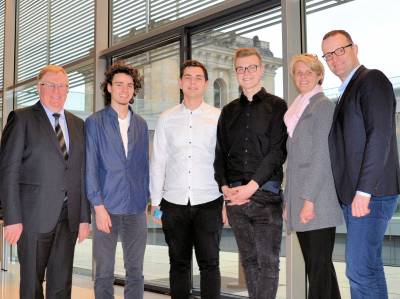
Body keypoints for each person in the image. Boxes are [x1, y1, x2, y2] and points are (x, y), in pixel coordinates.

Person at [0, 64, 90, 299]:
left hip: (68, 218)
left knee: (61, 285)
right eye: (51, 85)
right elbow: (8, 170)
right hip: (32, 218)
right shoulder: (21, 119)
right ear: (39, 87)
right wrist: (11, 217)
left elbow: (81, 173)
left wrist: (83, 218)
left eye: (62, 86)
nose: (57, 91)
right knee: (31, 285)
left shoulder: (78, 125)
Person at [322, 29, 400, 298]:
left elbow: (381, 136)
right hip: (359, 195)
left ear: (355, 47)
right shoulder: (346, 91)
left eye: (340, 50)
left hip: (371, 194)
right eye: (328, 55)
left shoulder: (371, 80)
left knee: (358, 271)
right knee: (369, 268)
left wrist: (364, 192)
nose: (334, 58)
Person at [214, 48, 287, 299]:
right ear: (236, 72)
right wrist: (224, 186)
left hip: (265, 197)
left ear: (261, 69)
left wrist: (252, 186)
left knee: (268, 264)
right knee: (249, 262)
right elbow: (220, 154)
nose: (246, 73)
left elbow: (277, 152)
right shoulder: (228, 111)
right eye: (241, 68)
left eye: (251, 67)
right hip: (235, 198)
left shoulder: (278, 106)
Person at [150, 60, 224, 299]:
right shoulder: (166, 118)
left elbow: (225, 161)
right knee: (178, 264)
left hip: (210, 201)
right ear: (180, 82)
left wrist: (227, 202)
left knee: (210, 264)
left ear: (205, 83)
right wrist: (156, 204)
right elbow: (158, 161)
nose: (192, 82)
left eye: (198, 78)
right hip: (173, 203)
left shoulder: (218, 117)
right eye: (188, 77)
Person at [85, 62, 149, 299]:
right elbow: (90, 168)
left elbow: (144, 168)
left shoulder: (141, 125)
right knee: (103, 272)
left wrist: (145, 203)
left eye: (130, 85)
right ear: (109, 88)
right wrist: (98, 206)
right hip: (107, 208)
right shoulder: (94, 122)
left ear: (134, 90)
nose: (125, 89)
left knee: (136, 272)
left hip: (135, 209)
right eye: (119, 84)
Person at [283, 54, 342, 299]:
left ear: (319, 75)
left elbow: (322, 157)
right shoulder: (298, 108)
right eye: (298, 72)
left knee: (318, 271)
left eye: (309, 72)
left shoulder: (323, 106)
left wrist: (308, 201)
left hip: (317, 201)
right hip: (302, 199)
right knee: (320, 269)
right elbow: (295, 163)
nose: (303, 76)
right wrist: (288, 201)